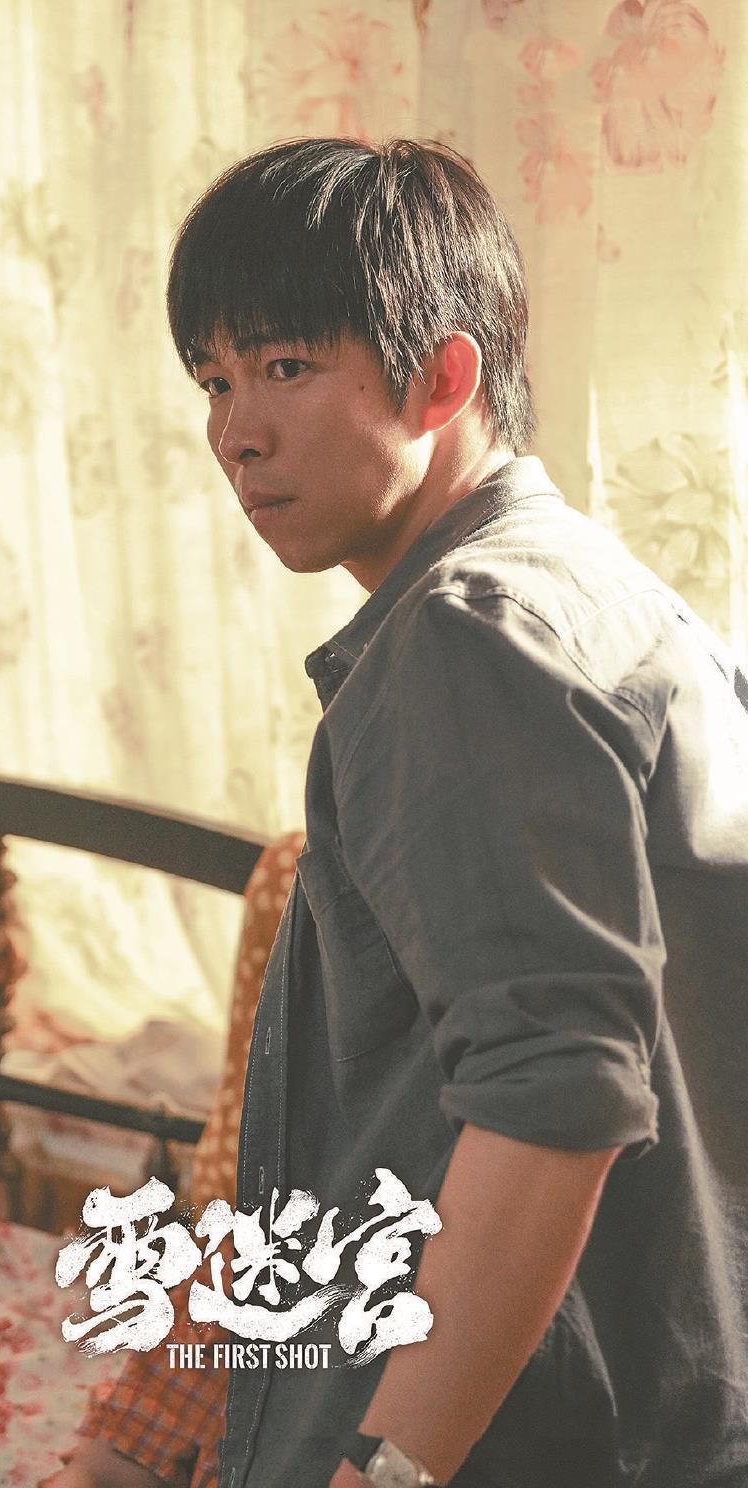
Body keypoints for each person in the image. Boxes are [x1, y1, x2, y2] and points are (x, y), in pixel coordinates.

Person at [49, 137, 748, 1487]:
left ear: (442, 378)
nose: (234, 433)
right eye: (215, 380)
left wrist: (389, 1470)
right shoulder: (616, 603)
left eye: (285, 367)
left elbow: (554, 1097)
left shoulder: (468, 636)